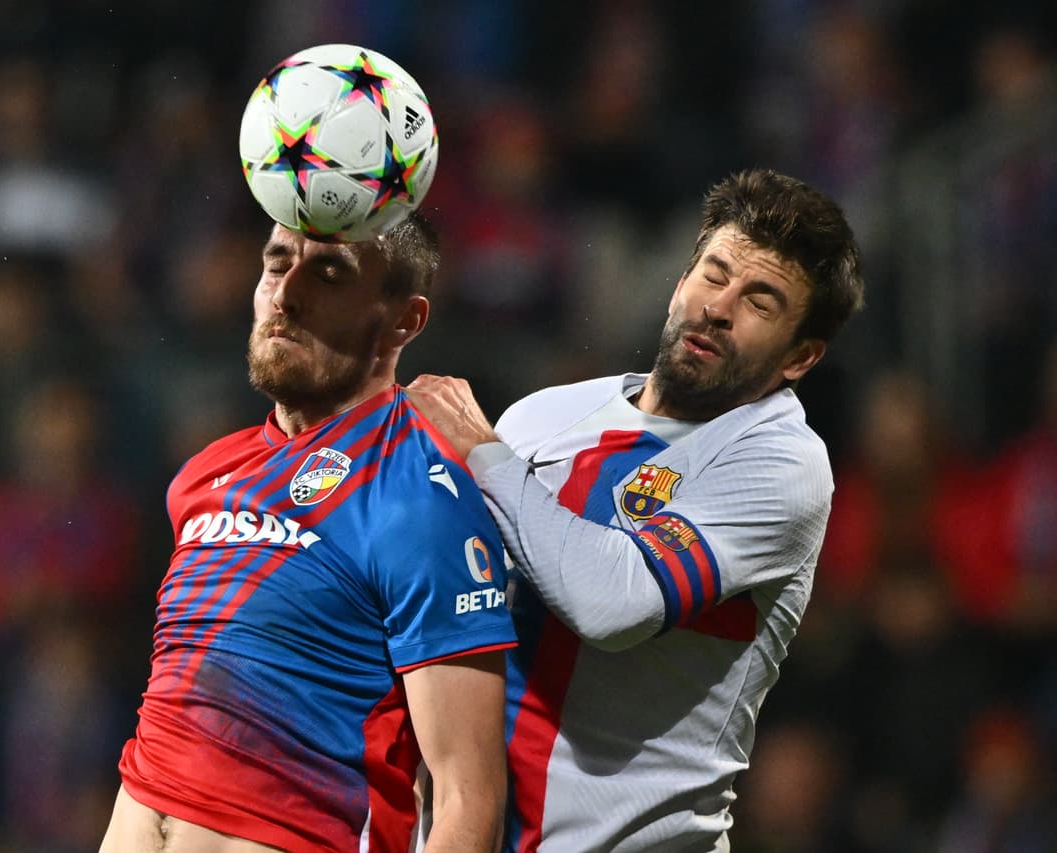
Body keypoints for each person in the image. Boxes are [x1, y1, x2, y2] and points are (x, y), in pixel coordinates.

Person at [406, 168, 866, 852]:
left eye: (760, 300)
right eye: (714, 274)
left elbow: (613, 605)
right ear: (681, 280)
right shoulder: (543, 416)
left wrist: (484, 456)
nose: (719, 306)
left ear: (801, 356)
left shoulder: (780, 464)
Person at [101, 212, 517, 853]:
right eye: (275, 264)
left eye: (327, 274)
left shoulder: (418, 500)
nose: (286, 293)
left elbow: (469, 801)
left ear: (404, 320)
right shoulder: (204, 475)